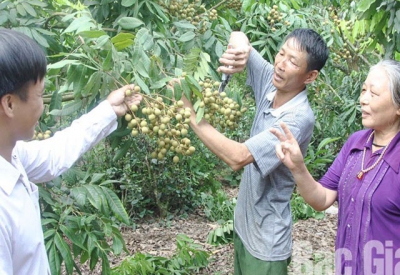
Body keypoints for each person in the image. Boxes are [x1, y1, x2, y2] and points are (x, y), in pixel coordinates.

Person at [176, 29, 329, 274]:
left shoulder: (297, 118)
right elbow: (240, 38)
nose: (280, 64)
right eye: (281, 53)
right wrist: (238, 46)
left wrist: (192, 116)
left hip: (267, 244)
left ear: (310, 76)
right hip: (244, 229)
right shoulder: (273, 80)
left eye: (292, 61)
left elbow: (238, 157)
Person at [0, 28, 142, 274]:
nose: (43, 107)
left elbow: (55, 154)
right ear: (10, 104)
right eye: (41, 95)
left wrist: (109, 109)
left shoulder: (12, 156)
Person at [270, 59, 400, 275]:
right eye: (363, 90)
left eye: (374, 94)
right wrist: (298, 168)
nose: (363, 99)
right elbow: (322, 200)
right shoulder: (356, 144)